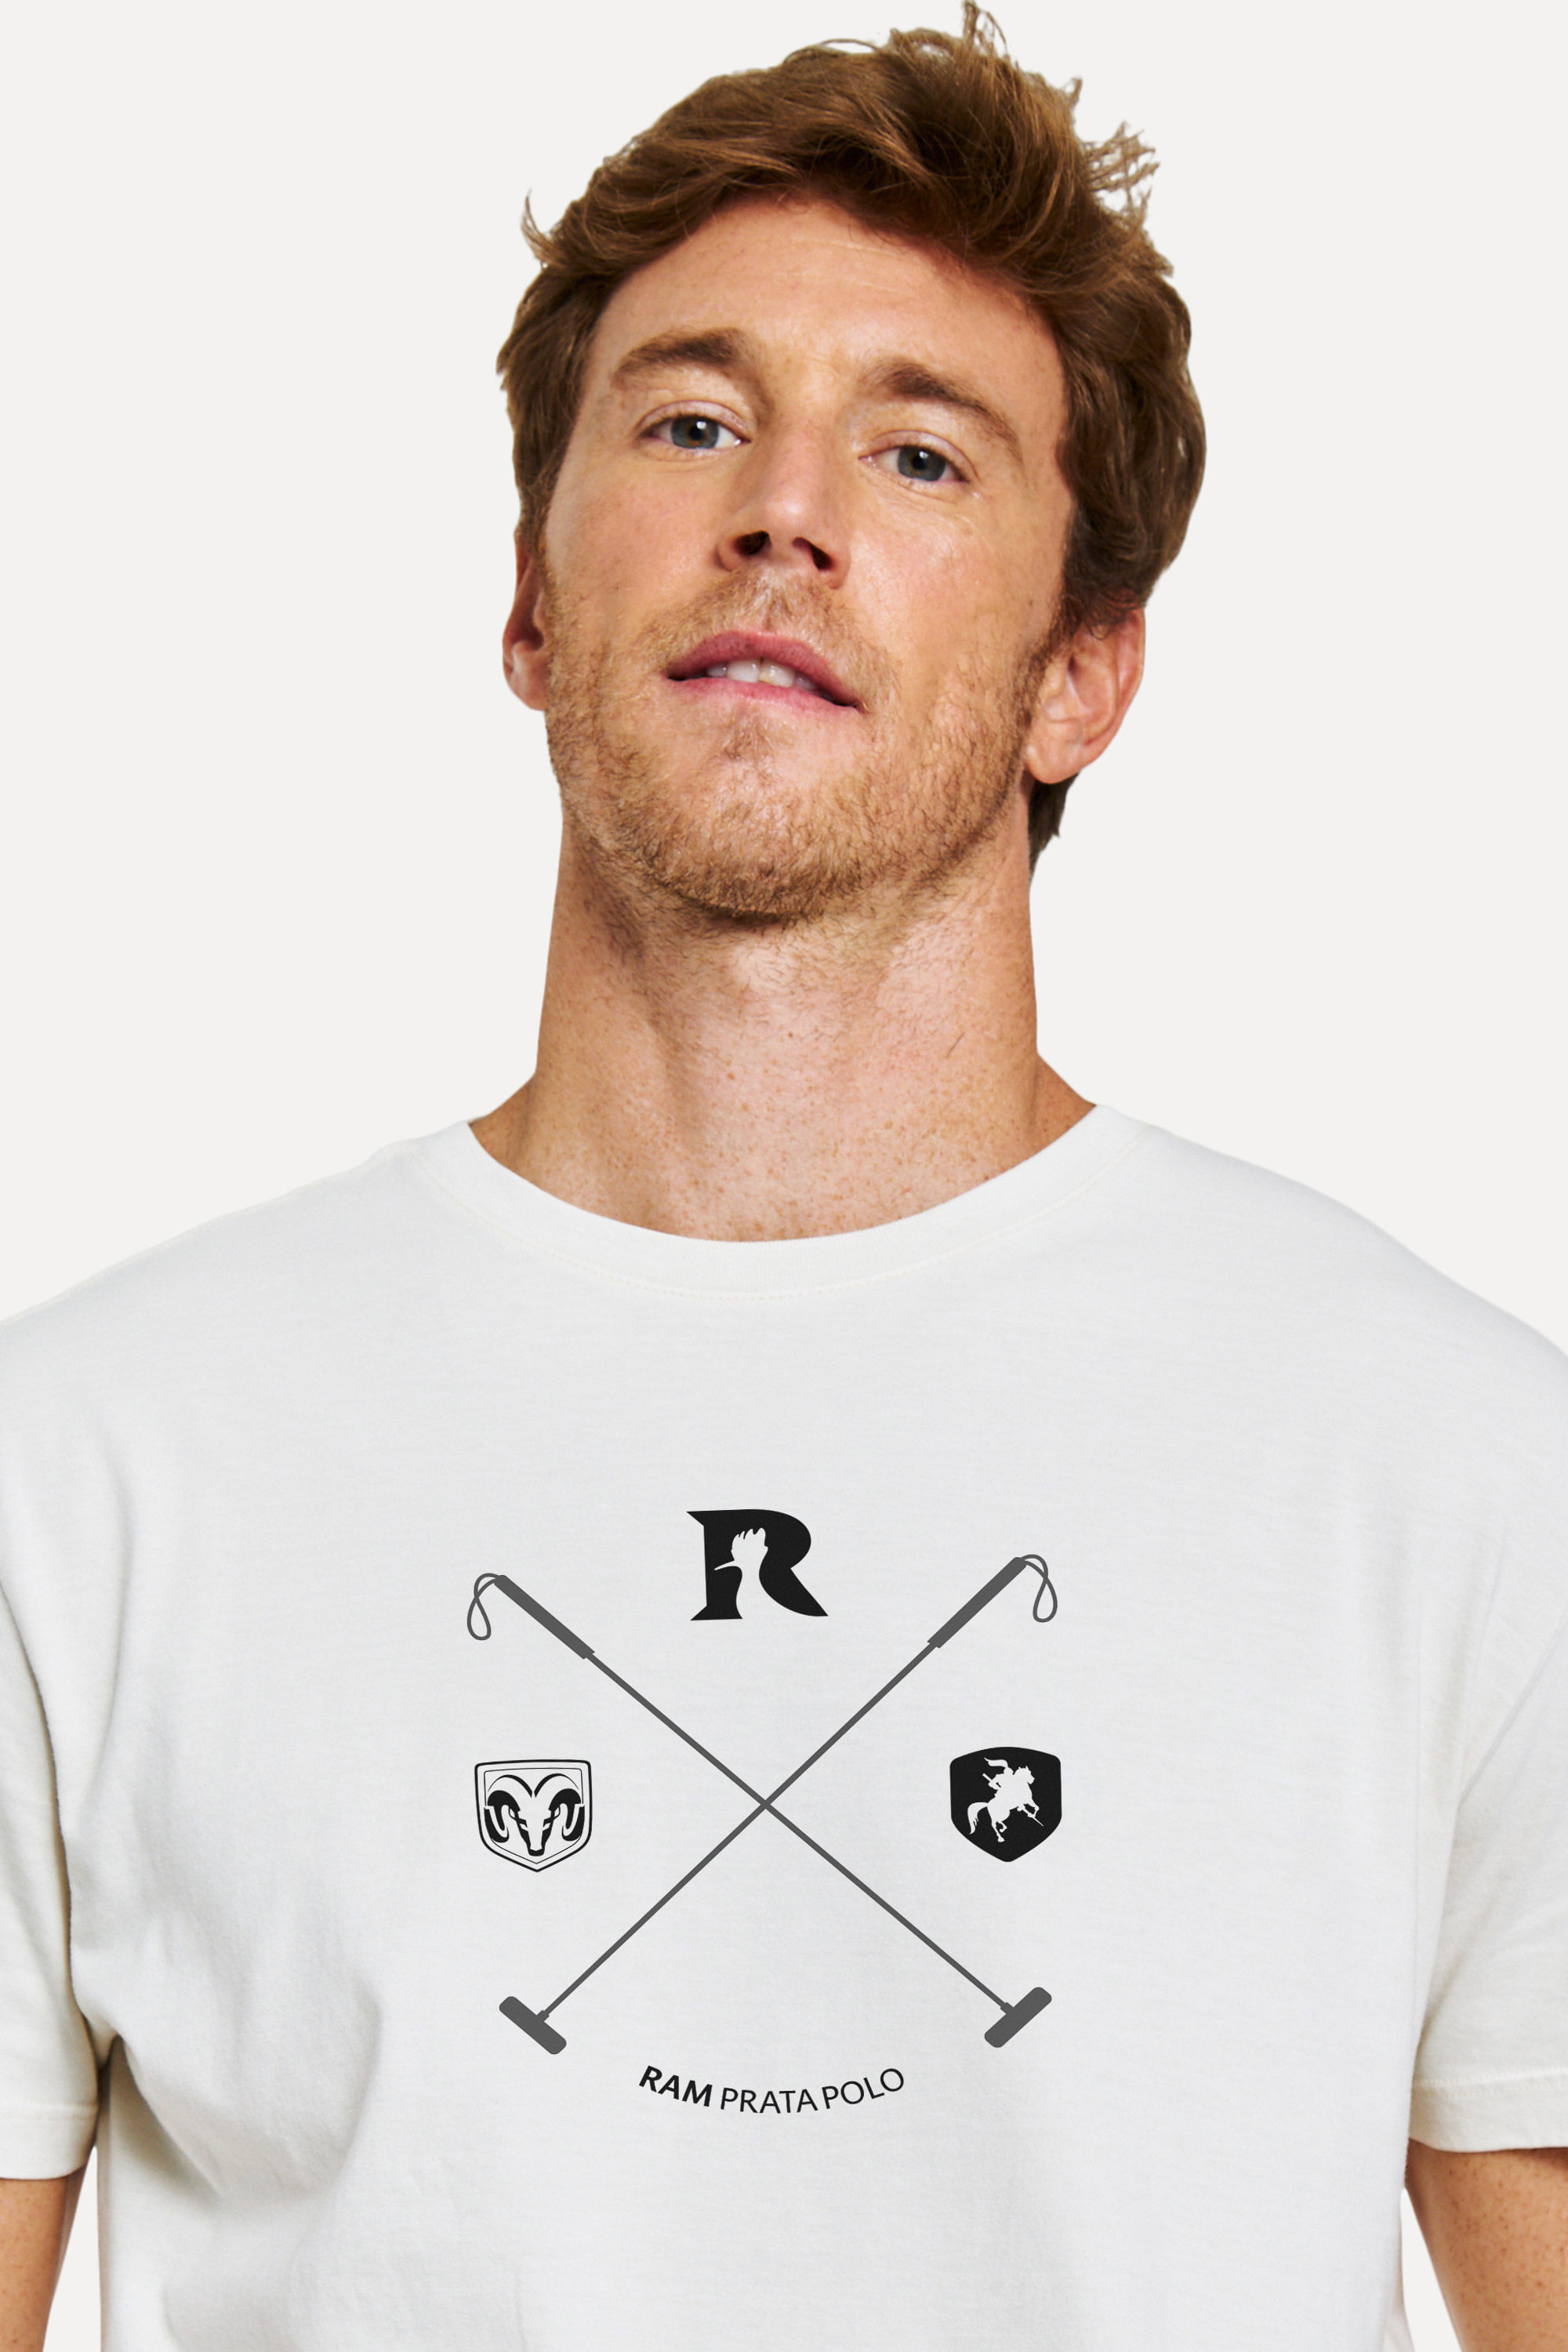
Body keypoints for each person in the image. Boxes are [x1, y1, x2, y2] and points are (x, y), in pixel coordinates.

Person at [2, 11, 1564, 2347]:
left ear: (1081, 675)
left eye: (920, 454)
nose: (784, 513)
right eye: (691, 421)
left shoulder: (1455, 1469)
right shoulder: (88, 1469)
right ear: (533, 602)